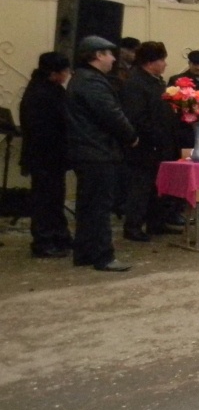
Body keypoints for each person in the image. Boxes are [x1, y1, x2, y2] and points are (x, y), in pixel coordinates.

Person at [67, 36, 137, 272]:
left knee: (88, 205)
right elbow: (111, 114)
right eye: (109, 54)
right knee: (99, 206)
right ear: (97, 56)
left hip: (88, 151)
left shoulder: (81, 78)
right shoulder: (92, 82)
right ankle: (103, 256)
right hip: (98, 152)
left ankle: (84, 253)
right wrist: (131, 136)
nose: (113, 59)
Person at [120, 41, 180, 242]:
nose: (165, 64)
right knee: (141, 187)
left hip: (161, 143)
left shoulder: (155, 81)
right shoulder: (135, 83)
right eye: (162, 60)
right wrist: (156, 136)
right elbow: (137, 117)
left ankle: (156, 223)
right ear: (149, 62)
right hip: (145, 145)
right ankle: (133, 226)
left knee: (158, 186)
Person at [19, 51, 73, 258]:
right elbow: (44, 128)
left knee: (54, 198)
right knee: (45, 200)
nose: (67, 74)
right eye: (65, 70)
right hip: (44, 156)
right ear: (54, 73)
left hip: (52, 156)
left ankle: (59, 236)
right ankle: (43, 241)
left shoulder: (49, 89)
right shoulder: (41, 93)